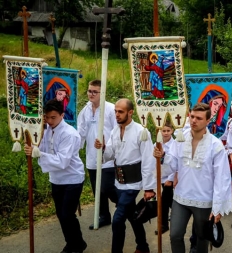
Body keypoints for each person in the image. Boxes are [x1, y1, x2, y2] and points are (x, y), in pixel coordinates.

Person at [154, 103, 232, 253]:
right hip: (181, 197)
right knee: (175, 235)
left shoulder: (215, 146)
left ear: (208, 121)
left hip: (204, 200)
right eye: (192, 116)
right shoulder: (180, 140)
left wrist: (217, 207)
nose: (194, 120)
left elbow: (222, 179)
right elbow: (171, 166)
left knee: (202, 238)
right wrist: (162, 156)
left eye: (199, 118)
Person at [24, 99, 87, 253]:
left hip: (72, 177)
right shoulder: (46, 130)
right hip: (56, 178)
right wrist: (32, 146)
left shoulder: (69, 134)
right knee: (61, 214)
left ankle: (77, 244)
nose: (50, 121)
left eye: (53, 117)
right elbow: (42, 147)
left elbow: (62, 161)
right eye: (47, 117)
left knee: (67, 214)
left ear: (62, 115)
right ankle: (72, 242)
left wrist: (37, 153)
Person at [94, 98, 157, 253]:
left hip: (134, 184)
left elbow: (148, 161)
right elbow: (110, 155)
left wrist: (149, 188)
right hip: (119, 183)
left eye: (120, 112)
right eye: (115, 111)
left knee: (117, 219)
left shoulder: (141, 132)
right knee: (131, 216)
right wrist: (102, 148)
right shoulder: (115, 130)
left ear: (130, 112)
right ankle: (143, 246)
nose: (117, 114)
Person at [77, 79, 118, 230]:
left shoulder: (110, 109)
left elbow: (117, 131)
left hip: (108, 156)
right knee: (97, 190)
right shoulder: (85, 110)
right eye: (89, 91)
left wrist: (111, 147)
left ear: (102, 92)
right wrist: (74, 149)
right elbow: (80, 133)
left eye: (95, 91)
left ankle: (124, 205)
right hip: (92, 156)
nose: (91, 94)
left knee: (107, 187)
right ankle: (104, 216)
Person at [155, 121, 176, 235]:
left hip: (170, 177)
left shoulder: (175, 144)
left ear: (172, 131)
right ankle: (174, 217)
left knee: (164, 201)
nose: (166, 133)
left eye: (168, 130)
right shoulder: (157, 143)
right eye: (164, 131)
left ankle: (164, 225)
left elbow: (176, 163)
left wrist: (171, 178)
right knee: (169, 200)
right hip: (162, 176)